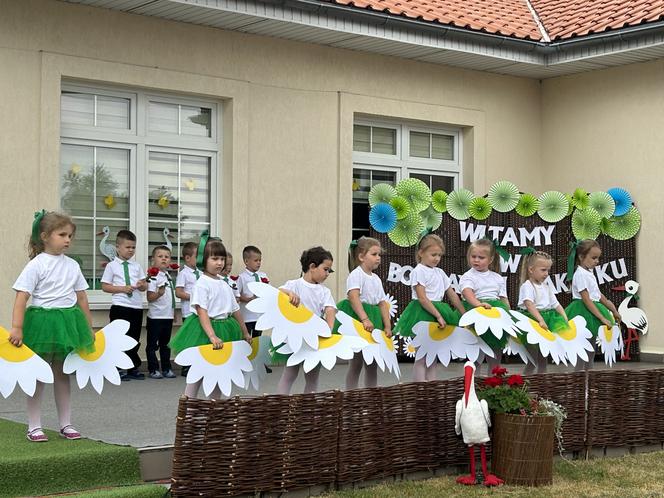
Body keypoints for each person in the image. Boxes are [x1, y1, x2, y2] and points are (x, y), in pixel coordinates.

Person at [10, 210, 94, 442]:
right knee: (37, 375)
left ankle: (65, 423)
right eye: (62, 234)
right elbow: (21, 297)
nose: (68, 239)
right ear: (45, 236)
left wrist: (88, 327)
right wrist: (17, 327)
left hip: (67, 324)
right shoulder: (36, 265)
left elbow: (82, 298)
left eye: (70, 235)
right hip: (42, 323)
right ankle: (34, 425)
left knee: (63, 374)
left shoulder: (72, 265)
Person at [169, 237, 251, 399]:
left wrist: (245, 332)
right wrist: (212, 335)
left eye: (222, 259)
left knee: (220, 373)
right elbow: (202, 311)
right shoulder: (202, 283)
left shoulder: (224, 283)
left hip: (226, 328)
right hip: (205, 330)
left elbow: (235, 310)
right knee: (198, 372)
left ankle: (214, 408)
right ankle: (189, 407)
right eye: (214, 259)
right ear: (203, 260)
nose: (219, 263)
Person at [394, 234, 465, 381]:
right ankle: (419, 389)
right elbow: (422, 297)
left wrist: (463, 313)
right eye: (433, 254)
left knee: (433, 355)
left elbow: (451, 294)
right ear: (421, 253)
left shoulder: (440, 272)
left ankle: (431, 388)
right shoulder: (419, 271)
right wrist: (438, 315)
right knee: (421, 356)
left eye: (439, 255)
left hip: (438, 310)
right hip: (423, 312)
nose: (437, 258)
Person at [275, 246, 337, 395]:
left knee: (312, 376)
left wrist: (328, 331)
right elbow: (277, 292)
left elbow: (330, 310)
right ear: (312, 267)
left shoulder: (324, 291)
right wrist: (289, 293)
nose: (328, 273)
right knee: (290, 374)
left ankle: (308, 407)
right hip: (295, 337)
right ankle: (280, 405)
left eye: (329, 270)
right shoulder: (294, 285)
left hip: (315, 339)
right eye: (326, 269)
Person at [335, 237, 392, 389]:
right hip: (359, 319)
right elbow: (353, 297)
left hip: (374, 320)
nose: (378, 258)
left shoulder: (376, 279)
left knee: (372, 363)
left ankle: (370, 397)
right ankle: (352, 396)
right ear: (361, 257)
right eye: (374, 254)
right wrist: (364, 319)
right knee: (356, 362)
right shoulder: (356, 274)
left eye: (379, 255)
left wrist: (387, 326)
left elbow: (382, 303)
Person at [565, 239, 621, 371]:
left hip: (593, 309)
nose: (597, 261)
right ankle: (579, 379)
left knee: (590, 349)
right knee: (583, 348)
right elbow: (586, 299)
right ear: (581, 257)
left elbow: (598, 295)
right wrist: (601, 317)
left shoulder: (588, 273)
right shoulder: (580, 274)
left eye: (598, 258)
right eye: (594, 258)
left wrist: (613, 310)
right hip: (584, 311)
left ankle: (587, 379)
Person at [459, 238, 510, 373]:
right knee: (476, 349)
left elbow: (503, 298)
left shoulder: (497, 278)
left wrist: (509, 316)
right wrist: (478, 305)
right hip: (477, 312)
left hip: (495, 314)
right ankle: (474, 383)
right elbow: (467, 292)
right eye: (473, 256)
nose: (476, 260)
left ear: (491, 259)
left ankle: (493, 382)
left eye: (481, 257)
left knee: (495, 349)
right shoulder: (468, 276)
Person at [517, 249, 568, 374]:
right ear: (531, 269)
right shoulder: (527, 286)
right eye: (543, 270)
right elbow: (529, 304)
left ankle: (542, 382)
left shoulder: (546, 287)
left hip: (546, 319)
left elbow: (556, 304)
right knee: (532, 359)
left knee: (543, 357)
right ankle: (526, 384)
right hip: (533, 321)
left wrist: (564, 317)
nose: (546, 274)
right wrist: (540, 319)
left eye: (548, 270)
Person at [145, 245, 176, 379]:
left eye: (167, 257)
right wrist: (159, 293)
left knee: (165, 345)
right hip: (156, 317)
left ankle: (166, 368)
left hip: (167, 316)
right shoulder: (153, 276)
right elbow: (150, 297)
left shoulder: (167, 275)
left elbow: (171, 298)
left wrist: (173, 313)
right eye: (160, 256)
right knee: (152, 345)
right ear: (153, 259)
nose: (164, 259)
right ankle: (153, 369)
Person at [175, 241, 199, 377]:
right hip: (189, 311)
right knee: (189, 339)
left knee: (198, 339)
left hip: (200, 312)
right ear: (188, 258)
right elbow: (179, 292)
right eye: (197, 256)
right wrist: (194, 297)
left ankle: (197, 364)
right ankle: (186, 366)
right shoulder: (183, 274)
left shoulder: (201, 273)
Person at [236, 245, 269, 338]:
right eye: (256, 261)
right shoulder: (242, 277)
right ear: (246, 261)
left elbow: (267, 290)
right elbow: (236, 295)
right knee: (247, 338)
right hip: (247, 316)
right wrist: (247, 299)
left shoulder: (263, 275)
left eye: (260, 260)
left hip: (259, 316)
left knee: (257, 339)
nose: (258, 263)